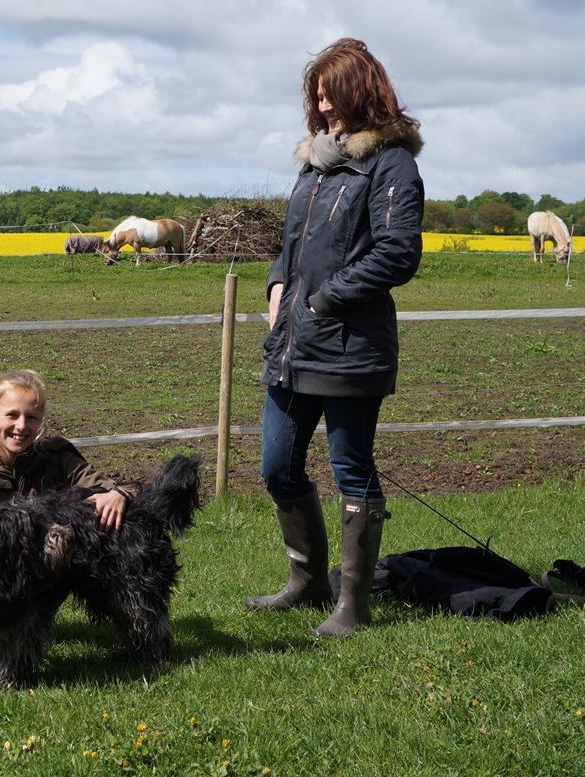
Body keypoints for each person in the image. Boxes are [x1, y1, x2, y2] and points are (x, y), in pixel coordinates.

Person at [246, 38, 424, 637]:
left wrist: (323, 299)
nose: (322, 108)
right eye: (315, 98)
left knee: (351, 466)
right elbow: (292, 245)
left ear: (360, 91)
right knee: (276, 467)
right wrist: (277, 285)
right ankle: (307, 579)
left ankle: (351, 604)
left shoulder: (392, 163)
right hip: (292, 345)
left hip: (350, 346)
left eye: (331, 95)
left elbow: (397, 252)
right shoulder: (315, 165)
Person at [0, 368, 138, 668]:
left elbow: (110, 487)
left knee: (21, 640)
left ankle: (29, 630)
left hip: (39, 581)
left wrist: (119, 495)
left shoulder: (57, 458)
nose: (21, 426)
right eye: (11, 415)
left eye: (31, 417)